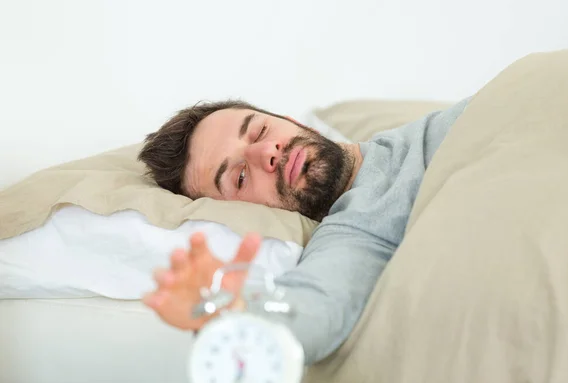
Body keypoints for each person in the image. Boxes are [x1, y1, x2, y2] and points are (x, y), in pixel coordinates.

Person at [138, 97, 471, 364]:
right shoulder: (357, 229)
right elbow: (312, 311)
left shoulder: (439, 125)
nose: (267, 152)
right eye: (240, 177)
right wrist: (230, 314)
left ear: (292, 121)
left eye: (260, 131)